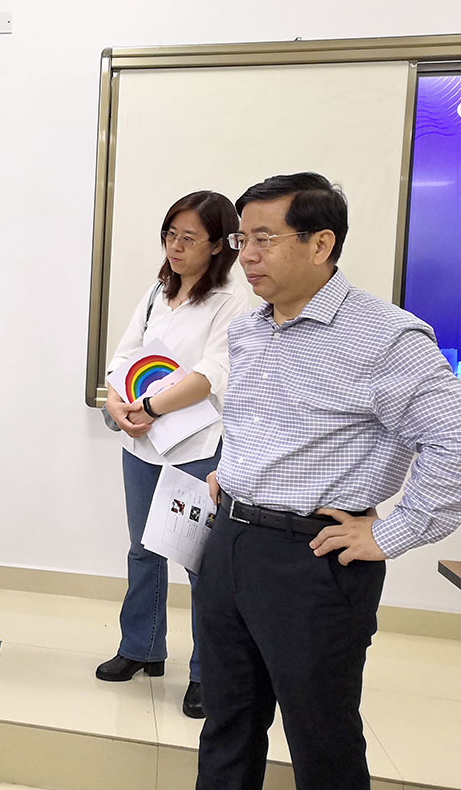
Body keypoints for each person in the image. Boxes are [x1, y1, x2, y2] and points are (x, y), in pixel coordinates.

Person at [196, 172, 461, 789]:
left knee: (321, 737)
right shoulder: (249, 328)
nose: (247, 255)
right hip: (229, 543)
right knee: (227, 722)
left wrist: (391, 533)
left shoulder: (387, 337)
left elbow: (454, 441)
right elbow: (260, 420)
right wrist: (233, 471)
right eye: (241, 239)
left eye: (264, 238)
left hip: (313, 559)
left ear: (321, 243)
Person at [99, 191, 250, 719]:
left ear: (218, 245)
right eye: (170, 235)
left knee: (199, 562)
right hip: (141, 443)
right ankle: (141, 648)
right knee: (144, 550)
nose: (176, 247)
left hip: (196, 448)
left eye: (189, 238)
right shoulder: (156, 292)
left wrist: (148, 405)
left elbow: (212, 375)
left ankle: (207, 673)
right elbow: (123, 356)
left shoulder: (231, 300)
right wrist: (117, 405)